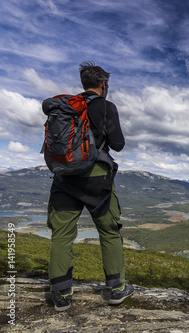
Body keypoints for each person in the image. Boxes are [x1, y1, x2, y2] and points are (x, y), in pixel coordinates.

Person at [45, 61, 133, 311]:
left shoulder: (66, 107)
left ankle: (61, 294)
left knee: (61, 233)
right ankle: (116, 288)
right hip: (96, 177)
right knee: (109, 230)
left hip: (64, 176)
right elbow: (117, 145)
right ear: (104, 84)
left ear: (84, 83)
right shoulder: (106, 106)